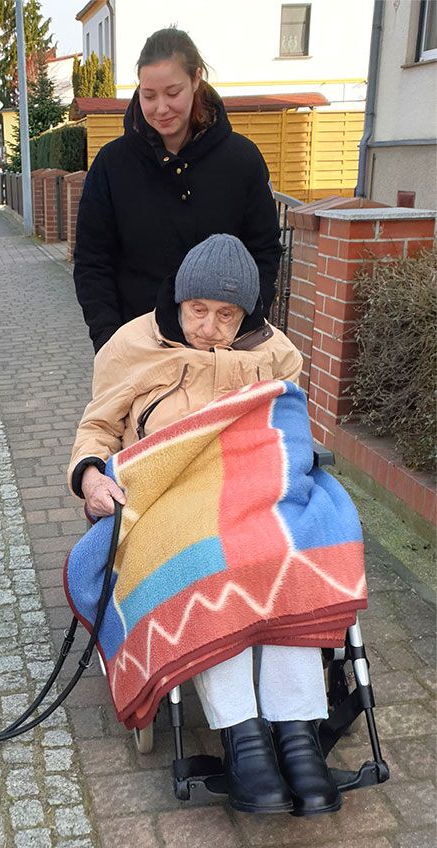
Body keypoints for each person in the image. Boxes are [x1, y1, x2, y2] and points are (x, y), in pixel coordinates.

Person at [68, 234, 342, 816]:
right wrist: (90, 476)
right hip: (166, 501)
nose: (209, 328)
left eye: (226, 315)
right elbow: (96, 430)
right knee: (208, 563)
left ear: (248, 314)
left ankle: (297, 736)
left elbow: (287, 429)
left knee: (288, 554)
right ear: (178, 299)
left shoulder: (277, 354)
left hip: (251, 494)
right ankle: (243, 737)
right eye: (198, 311)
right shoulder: (133, 346)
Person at [74, 27, 282, 354]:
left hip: (224, 352)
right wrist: (110, 342)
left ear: (196, 78)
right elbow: (92, 262)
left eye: (173, 93)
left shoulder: (242, 160)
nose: (161, 108)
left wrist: (242, 327)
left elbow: (264, 251)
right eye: (149, 95)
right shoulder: (112, 164)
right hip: (137, 351)